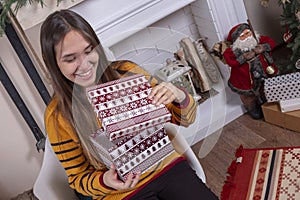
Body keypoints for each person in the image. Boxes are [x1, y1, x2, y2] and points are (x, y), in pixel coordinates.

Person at [40, 9, 218, 200]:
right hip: (121, 194)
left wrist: (178, 95)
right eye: (70, 59)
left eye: (88, 50)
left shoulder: (126, 71)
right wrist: (105, 180)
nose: (84, 65)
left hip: (165, 166)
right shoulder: (58, 116)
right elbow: (77, 179)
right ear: (54, 64)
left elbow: (184, 119)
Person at [223, 23, 279, 119]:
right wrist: (243, 58)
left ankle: (266, 102)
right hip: (244, 78)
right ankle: (252, 107)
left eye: (248, 33)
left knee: (264, 87)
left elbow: (271, 42)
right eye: (242, 36)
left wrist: (263, 47)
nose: (247, 37)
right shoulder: (234, 51)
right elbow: (229, 61)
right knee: (248, 95)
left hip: (263, 71)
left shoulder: (258, 40)